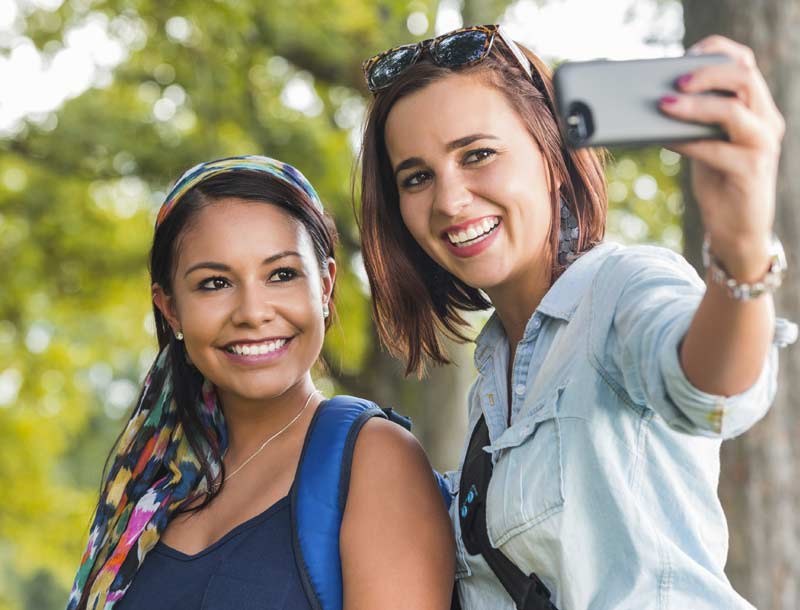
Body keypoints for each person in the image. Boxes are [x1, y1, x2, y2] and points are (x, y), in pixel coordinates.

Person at [358, 25, 796, 609]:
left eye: (478, 154)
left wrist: (741, 250)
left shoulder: (622, 289)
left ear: (552, 158)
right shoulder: (490, 381)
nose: (450, 200)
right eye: (417, 177)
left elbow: (708, 385)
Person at [66, 155, 455, 610]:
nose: (252, 312)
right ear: (170, 308)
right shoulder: (152, 482)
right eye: (214, 283)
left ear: (326, 286)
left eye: (282, 275)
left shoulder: (373, 460)